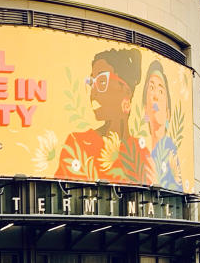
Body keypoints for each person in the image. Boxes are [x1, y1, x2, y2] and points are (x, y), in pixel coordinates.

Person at [55, 48, 154, 184]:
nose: (93, 92)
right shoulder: (78, 144)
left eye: (101, 81)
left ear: (126, 90)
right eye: (91, 83)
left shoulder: (141, 152)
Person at [141, 60, 183, 191]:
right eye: (151, 88)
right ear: (145, 109)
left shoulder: (170, 152)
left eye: (161, 91)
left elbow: (177, 188)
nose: (155, 96)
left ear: (168, 113)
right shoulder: (141, 152)